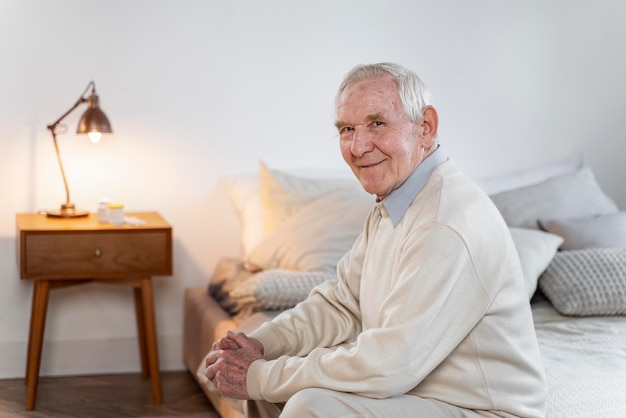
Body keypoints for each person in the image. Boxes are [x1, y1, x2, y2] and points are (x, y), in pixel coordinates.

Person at [204, 63, 547, 418]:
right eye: (347, 129)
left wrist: (260, 375)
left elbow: (391, 362)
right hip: (419, 397)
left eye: (377, 124)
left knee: (307, 404)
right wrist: (260, 345)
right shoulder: (395, 203)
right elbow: (341, 304)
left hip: (480, 410)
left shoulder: (445, 220)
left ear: (425, 128)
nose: (358, 146)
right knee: (270, 384)